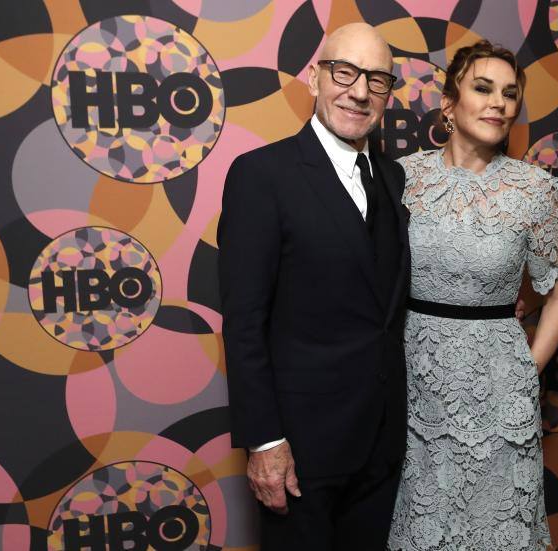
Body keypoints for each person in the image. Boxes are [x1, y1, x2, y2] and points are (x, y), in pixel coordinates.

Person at [217, 23, 410, 551]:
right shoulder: (262, 175)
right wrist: (265, 441)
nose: (359, 90)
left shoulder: (397, 181)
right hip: (299, 453)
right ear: (314, 77)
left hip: (382, 448)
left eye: (377, 79)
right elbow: (245, 323)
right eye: (344, 72)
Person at [387, 40, 558, 550]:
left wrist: (524, 370)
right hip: (409, 384)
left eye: (510, 94)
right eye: (483, 88)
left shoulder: (537, 191)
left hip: (498, 392)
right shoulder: (399, 179)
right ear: (449, 103)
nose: (499, 103)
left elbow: (557, 296)